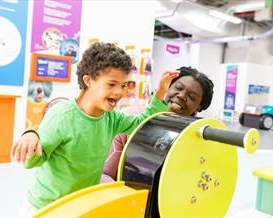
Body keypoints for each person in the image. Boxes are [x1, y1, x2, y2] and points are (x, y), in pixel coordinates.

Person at [11, 42, 179, 215]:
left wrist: (161, 91)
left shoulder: (111, 118)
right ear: (88, 80)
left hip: (80, 205)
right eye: (112, 84)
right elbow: (33, 161)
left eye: (123, 85)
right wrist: (31, 135)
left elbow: (142, 123)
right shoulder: (62, 116)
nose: (119, 92)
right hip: (47, 207)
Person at [101, 66, 214, 183]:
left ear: (198, 107)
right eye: (178, 88)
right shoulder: (132, 117)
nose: (181, 96)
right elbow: (104, 174)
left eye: (192, 97)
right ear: (168, 87)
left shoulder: (196, 138)